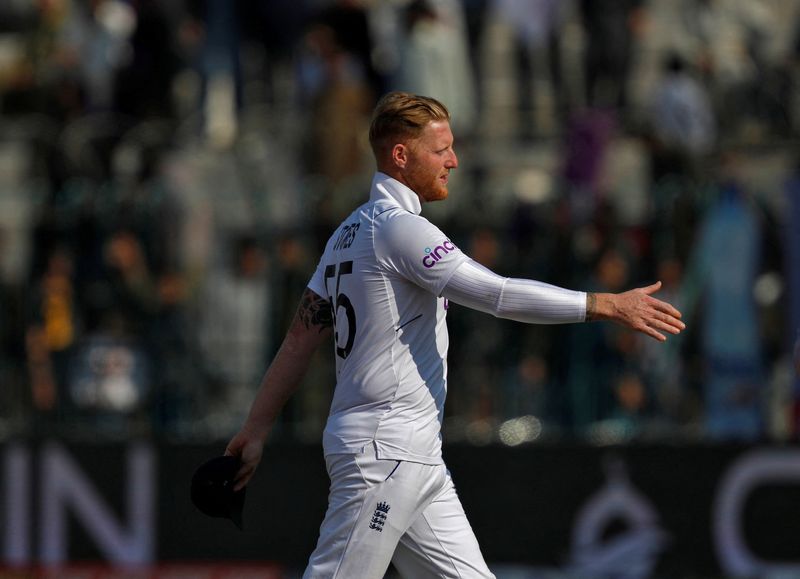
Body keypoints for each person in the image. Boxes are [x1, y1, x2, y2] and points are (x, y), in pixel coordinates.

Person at [224, 92, 685, 578]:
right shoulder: (401, 230)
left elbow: (300, 339)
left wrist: (256, 428)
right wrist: (605, 304)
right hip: (386, 452)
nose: (453, 160)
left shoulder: (347, 233)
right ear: (401, 156)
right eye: (440, 149)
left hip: (413, 455)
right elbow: (498, 294)